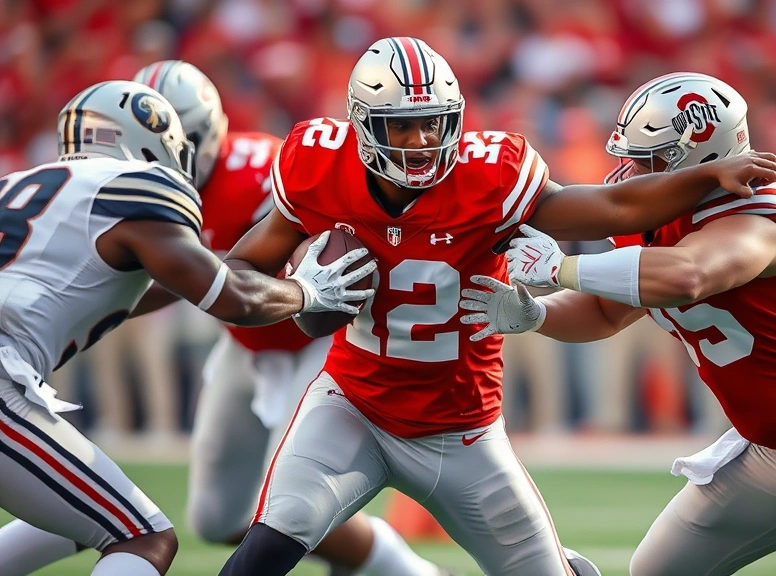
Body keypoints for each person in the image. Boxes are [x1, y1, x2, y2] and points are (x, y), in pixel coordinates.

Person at [216, 38, 776, 576]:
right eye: (403, 125)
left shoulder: (489, 174)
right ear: (363, 124)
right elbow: (238, 275)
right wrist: (303, 295)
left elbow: (610, 206)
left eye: (432, 124)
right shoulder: (318, 168)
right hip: (352, 406)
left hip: (463, 429)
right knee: (270, 539)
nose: (420, 141)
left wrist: (704, 174)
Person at [461, 72, 776, 576]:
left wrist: (561, 267)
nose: (631, 172)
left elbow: (688, 276)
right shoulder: (653, 219)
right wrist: (537, 314)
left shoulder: (759, 208)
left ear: (706, 159)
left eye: (652, 160)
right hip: (769, 450)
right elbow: (606, 312)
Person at [0, 61, 451, 576]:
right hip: (247, 337)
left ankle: (406, 572)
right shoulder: (138, 190)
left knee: (295, 500)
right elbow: (207, 286)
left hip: (312, 342)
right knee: (218, 517)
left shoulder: (260, 168)